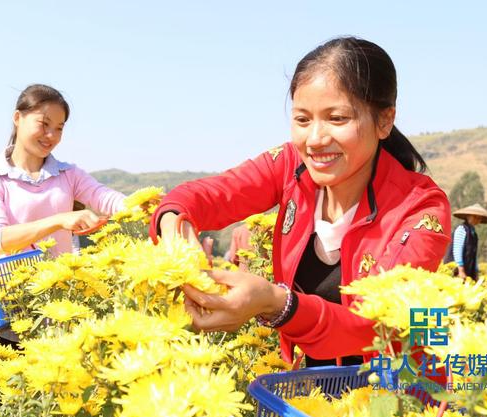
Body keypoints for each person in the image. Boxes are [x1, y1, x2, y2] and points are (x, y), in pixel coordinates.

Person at [150, 37, 451, 367]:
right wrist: (175, 227)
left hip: (395, 392)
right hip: (310, 384)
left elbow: (375, 328)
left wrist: (274, 303)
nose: (315, 139)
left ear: (384, 121)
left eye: (337, 118)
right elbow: (202, 196)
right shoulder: (288, 165)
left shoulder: (421, 209)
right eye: (303, 119)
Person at [0, 84, 125, 258]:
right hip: (14, 283)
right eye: (44, 124)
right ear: (17, 118)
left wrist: (142, 204)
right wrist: (59, 220)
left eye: (59, 128)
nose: (52, 135)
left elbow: (107, 198)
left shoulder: (69, 174)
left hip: (64, 284)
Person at [450, 203, 487, 281]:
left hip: (468, 270)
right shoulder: (461, 229)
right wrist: (460, 270)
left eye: (479, 218)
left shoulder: (474, 234)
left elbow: (474, 255)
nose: (477, 219)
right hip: (456, 269)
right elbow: (457, 250)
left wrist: (476, 272)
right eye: (474, 216)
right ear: (468, 216)